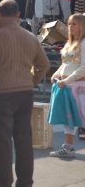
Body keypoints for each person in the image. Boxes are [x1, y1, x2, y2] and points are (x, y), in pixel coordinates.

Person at [0, 0, 50, 187]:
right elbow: (44, 65)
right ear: (18, 15)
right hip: (24, 93)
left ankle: (2, 182)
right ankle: (25, 183)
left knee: (2, 143)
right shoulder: (30, 37)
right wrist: (30, 81)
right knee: (24, 141)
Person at [50, 14, 85, 156]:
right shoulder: (69, 44)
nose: (70, 26)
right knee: (68, 117)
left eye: (74, 24)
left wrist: (67, 80)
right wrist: (56, 74)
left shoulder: (83, 43)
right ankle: (68, 147)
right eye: (69, 23)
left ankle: (69, 146)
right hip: (66, 86)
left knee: (82, 115)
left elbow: (83, 67)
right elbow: (65, 64)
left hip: (77, 86)